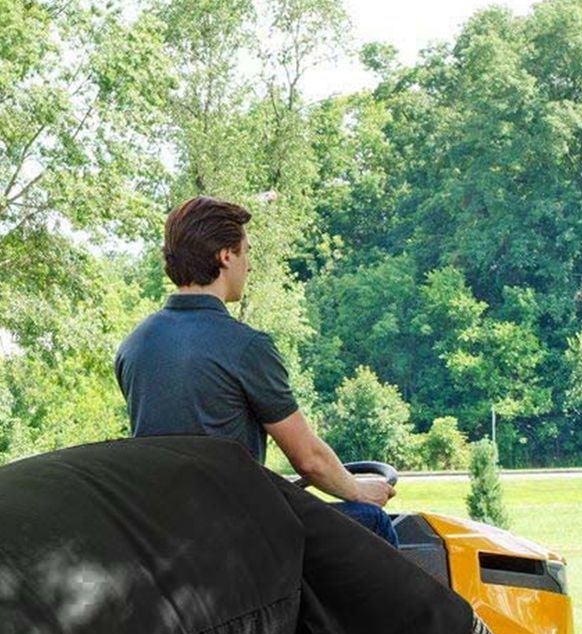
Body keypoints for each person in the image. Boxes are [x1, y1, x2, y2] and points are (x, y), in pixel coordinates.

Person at [114, 195, 400, 547]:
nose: (248, 266)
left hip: (167, 534)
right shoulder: (245, 346)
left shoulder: (134, 345)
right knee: (373, 521)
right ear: (225, 256)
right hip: (239, 536)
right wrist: (358, 489)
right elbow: (308, 459)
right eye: (245, 252)